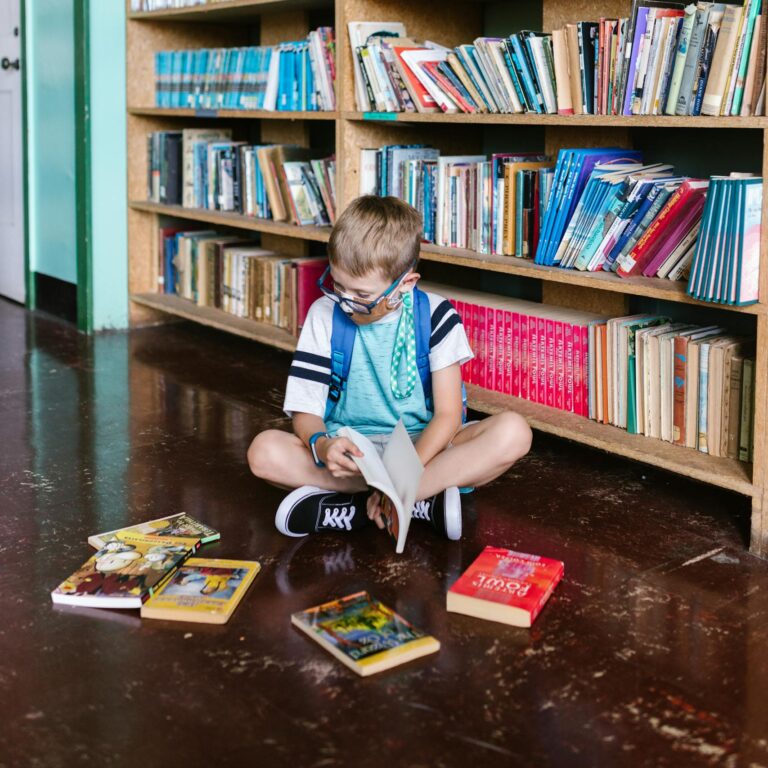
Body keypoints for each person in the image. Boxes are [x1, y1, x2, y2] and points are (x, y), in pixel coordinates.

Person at [247, 195, 532, 541]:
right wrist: (322, 446)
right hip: (352, 452)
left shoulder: (437, 315)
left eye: (362, 294)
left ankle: (382, 498)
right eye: (338, 286)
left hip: (423, 448)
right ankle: (412, 501)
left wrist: (403, 473)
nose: (346, 302)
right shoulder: (324, 314)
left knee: (514, 432)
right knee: (263, 453)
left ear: (406, 284)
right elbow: (305, 411)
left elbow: (447, 416)